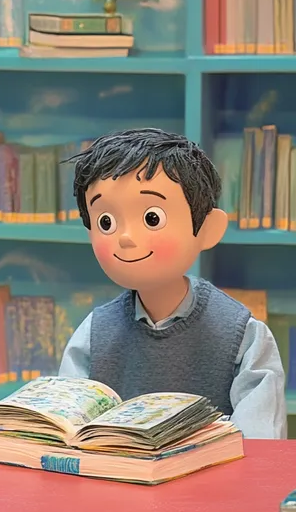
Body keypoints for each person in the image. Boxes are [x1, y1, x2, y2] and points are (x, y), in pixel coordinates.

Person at [58, 127, 286, 439]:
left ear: (207, 228)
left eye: (152, 218)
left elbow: (260, 446)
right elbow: (66, 430)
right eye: (106, 222)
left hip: (213, 485)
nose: (125, 238)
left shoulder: (240, 333)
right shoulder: (94, 334)